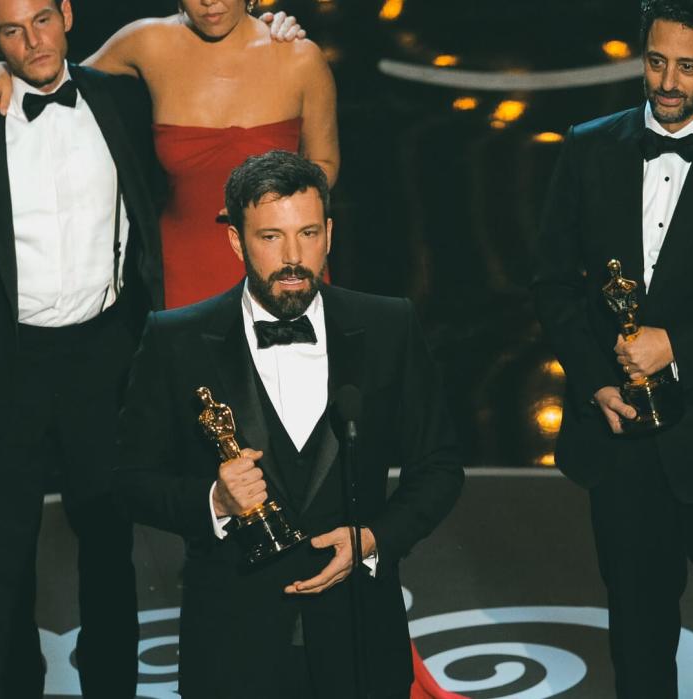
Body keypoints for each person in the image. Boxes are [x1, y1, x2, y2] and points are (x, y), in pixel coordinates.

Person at [114, 150, 462, 699]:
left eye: (307, 234)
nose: (295, 257)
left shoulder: (389, 325)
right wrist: (214, 502)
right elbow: (129, 480)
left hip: (360, 637)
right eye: (271, 237)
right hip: (234, 643)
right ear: (236, 241)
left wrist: (374, 538)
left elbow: (439, 465)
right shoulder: (174, 340)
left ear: (329, 232)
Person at [531, 0, 693, 695]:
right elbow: (553, 284)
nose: (669, 82)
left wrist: (673, 345)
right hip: (622, 446)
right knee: (638, 640)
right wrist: (596, 380)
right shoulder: (587, 148)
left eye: (687, 65)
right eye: (656, 62)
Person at [0, 0, 162, 695]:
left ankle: (113, 686)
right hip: (3, 366)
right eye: (13, 32)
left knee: (111, 543)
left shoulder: (123, 100)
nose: (34, 42)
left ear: (69, 14)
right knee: (2, 553)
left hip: (106, 356)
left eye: (43, 20)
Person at [0, 0, 338, 308]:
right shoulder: (147, 43)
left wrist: (272, 201)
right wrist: (1, 68)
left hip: (285, 263)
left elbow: (325, 163)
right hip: (184, 271)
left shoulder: (298, 57)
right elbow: (59, 81)